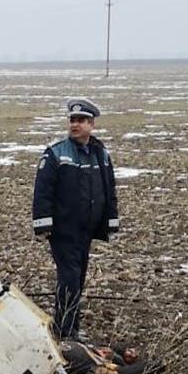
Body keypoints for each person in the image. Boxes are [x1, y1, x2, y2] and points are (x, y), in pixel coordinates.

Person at [33, 98, 120, 341]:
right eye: (72, 120)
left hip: (86, 230)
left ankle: (71, 326)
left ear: (92, 124)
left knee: (78, 276)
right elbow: (43, 190)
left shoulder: (100, 154)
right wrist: (43, 223)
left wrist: (111, 220)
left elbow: (108, 188)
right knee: (70, 276)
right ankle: (65, 330)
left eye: (81, 120)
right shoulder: (56, 153)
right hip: (64, 229)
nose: (75, 125)